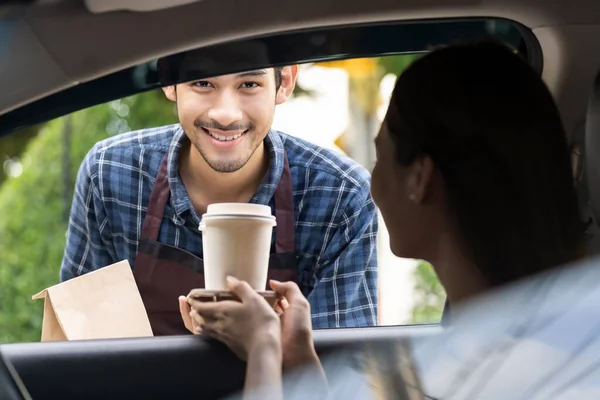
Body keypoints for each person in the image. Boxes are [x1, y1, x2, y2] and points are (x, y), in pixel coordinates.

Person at [186, 40, 585, 398]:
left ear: (420, 178)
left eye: (380, 158)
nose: (370, 183)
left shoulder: (493, 370)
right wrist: (296, 354)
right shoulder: (539, 345)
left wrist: (263, 349)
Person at [59, 63, 379, 334]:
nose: (225, 114)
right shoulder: (111, 173)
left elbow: (342, 372)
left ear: (285, 83)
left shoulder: (340, 196)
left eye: (249, 83)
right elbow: (84, 345)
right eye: (203, 83)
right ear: (170, 81)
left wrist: (261, 344)